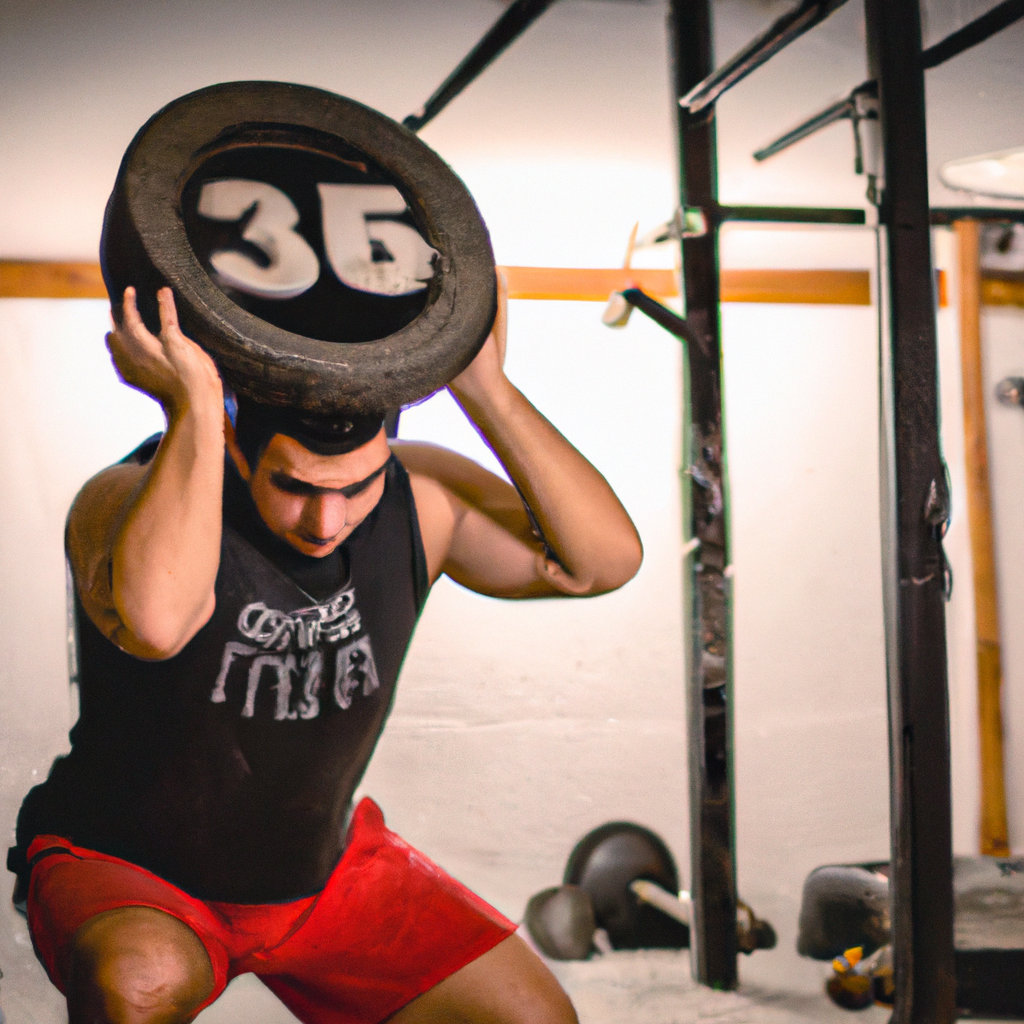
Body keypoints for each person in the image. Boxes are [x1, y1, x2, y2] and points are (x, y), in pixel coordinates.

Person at [11, 275, 642, 1024]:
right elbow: (159, 622)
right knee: (139, 984)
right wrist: (195, 409)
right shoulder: (122, 496)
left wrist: (486, 390)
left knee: (532, 1016)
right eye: (296, 485)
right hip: (130, 871)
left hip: (319, 876)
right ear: (239, 454)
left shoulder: (420, 498)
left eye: (357, 486)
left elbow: (603, 562)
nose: (326, 520)